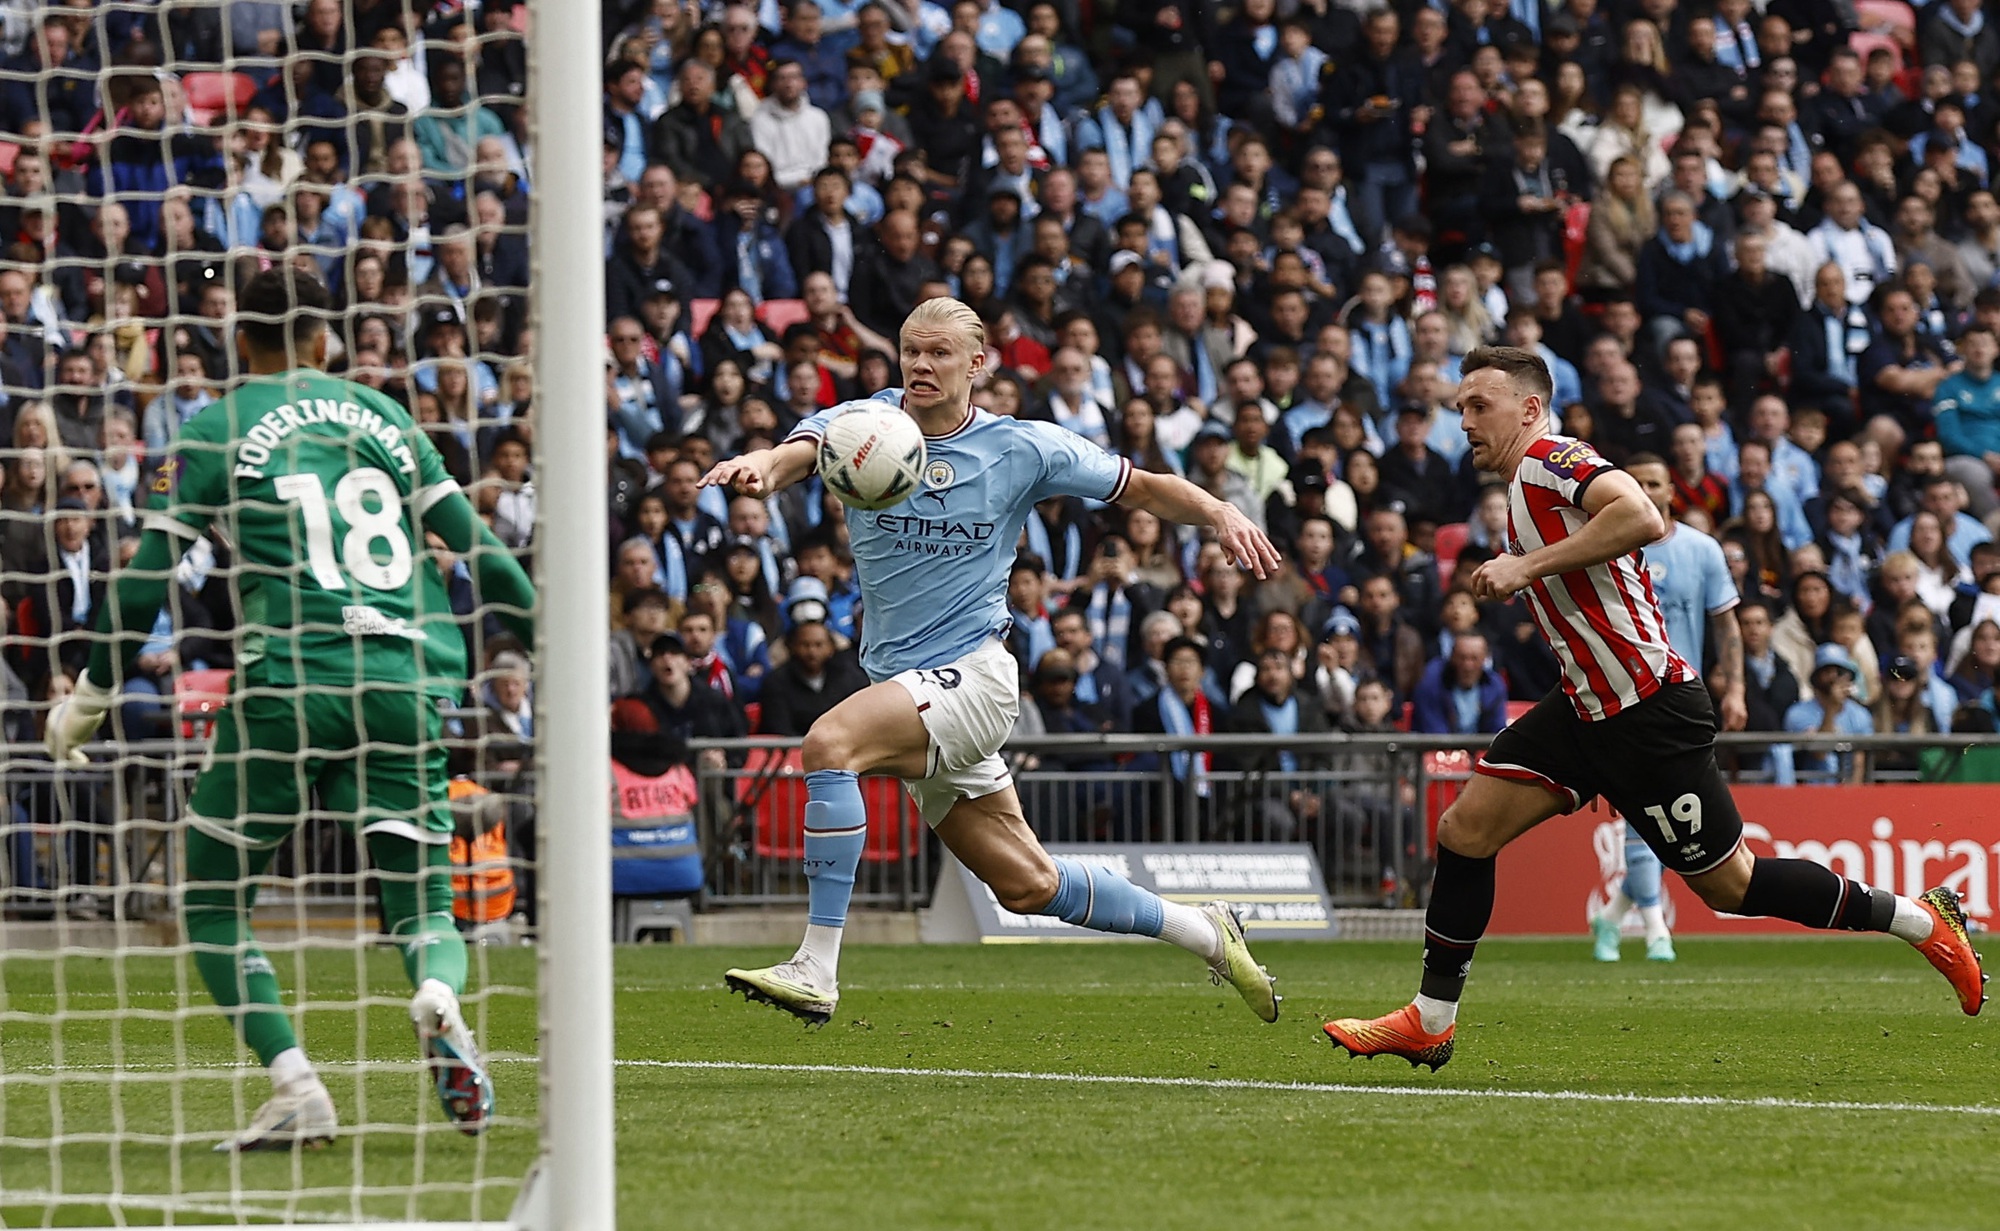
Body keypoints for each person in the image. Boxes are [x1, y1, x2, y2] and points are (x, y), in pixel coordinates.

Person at [1323, 347, 1987, 1072]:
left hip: (1646, 710)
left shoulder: (1552, 457)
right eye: (1460, 408)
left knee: (1731, 887)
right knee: (1465, 829)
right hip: (1584, 705)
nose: (1465, 421)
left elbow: (1640, 512)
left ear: (1530, 408)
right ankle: (1431, 1019)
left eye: (1479, 405)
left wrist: (1526, 565)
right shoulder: (1524, 482)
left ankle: (1921, 920)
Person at [44, 269, 537, 1148]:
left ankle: (296, 1082)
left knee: (210, 899)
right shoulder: (386, 418)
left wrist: (90, 696)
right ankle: (435, 995)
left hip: (292, 679)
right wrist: (553, 650)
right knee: (423, 906)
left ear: (243, 343)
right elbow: (488, 560)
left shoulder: (213, 429)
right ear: (324, 340)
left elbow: (149, 577)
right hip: (409, 674)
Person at [699, 296, 1285, 1026]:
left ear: (977, 363)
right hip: (905, 685)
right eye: (911, 349)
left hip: (973, 677)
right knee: (1028, 884)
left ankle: (817, 965)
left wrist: (1221, 511)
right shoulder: (867, 423)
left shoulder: (1021, 448)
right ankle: (1206, 929)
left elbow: (1141, 486)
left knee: (828, 744)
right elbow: (796, 452)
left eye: (939, 352)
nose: (919, 363)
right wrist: (758, 464)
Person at [1586, 453, 1745, 965]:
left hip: (1680, 702)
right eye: (1637, 484)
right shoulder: (1604, 549)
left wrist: (1736, 688)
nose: (1648, 492)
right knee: (1645, 816)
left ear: (1672, 491)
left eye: (1656, 483)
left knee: (1672, 824)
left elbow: (1726, 625)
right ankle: (1657, 932)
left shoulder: (1701, 550)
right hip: (1624, 700)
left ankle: (1612, 918)